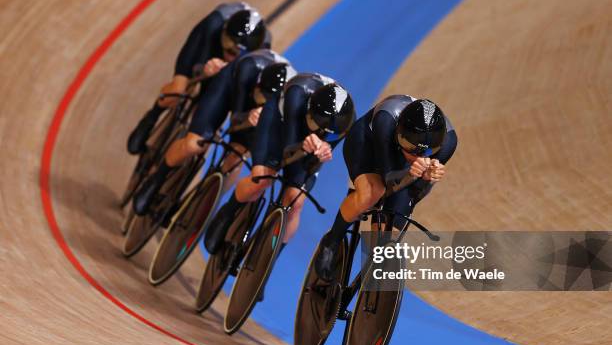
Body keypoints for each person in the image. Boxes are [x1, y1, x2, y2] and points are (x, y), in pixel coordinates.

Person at [204, 74, 356, 257]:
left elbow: (313, 162)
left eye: (329, 135)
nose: (321, 133)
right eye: (317, 126)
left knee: (296, 201)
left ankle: (269, 259)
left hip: (306, 144)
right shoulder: (297, 94)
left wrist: (322, 151)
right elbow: (287, 152)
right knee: (261, 179)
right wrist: (303, 145)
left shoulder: (343, 123)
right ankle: (227, 213)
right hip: (280, 123)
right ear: (309, 111)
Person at [313, 96, 458, 281]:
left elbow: (415, 194)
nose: (415, 155)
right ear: (399, 132)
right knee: (372, 193)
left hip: (403, 171)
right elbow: (387, 178)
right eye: (409, 146)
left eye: (425, 152)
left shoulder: (448, 144)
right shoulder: (386, 120)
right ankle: (332, 241)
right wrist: (413, 174)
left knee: (388, 236)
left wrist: (426, 180)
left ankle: (369, 287)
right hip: (368, 146)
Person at [132, 51, 294, 216]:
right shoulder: (248, 70)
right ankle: (156, 180)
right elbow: (236, 118)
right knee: (193, 144)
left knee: (235, 159)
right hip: (230, 88)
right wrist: (247, 116)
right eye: (262, 97)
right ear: (257, 85)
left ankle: (203, 203)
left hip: (264, 113)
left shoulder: (290, 107)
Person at [126, 2, 270, 155]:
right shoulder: (214, 24)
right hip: (209, 49)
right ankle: (152, 116)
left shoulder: (261, 54)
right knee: (178, 89)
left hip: (235, 71)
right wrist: (203, 69)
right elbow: (195, 66)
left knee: (207, 119)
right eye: (228, 45)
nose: (229, 53)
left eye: (235, 54)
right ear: (223, 33)